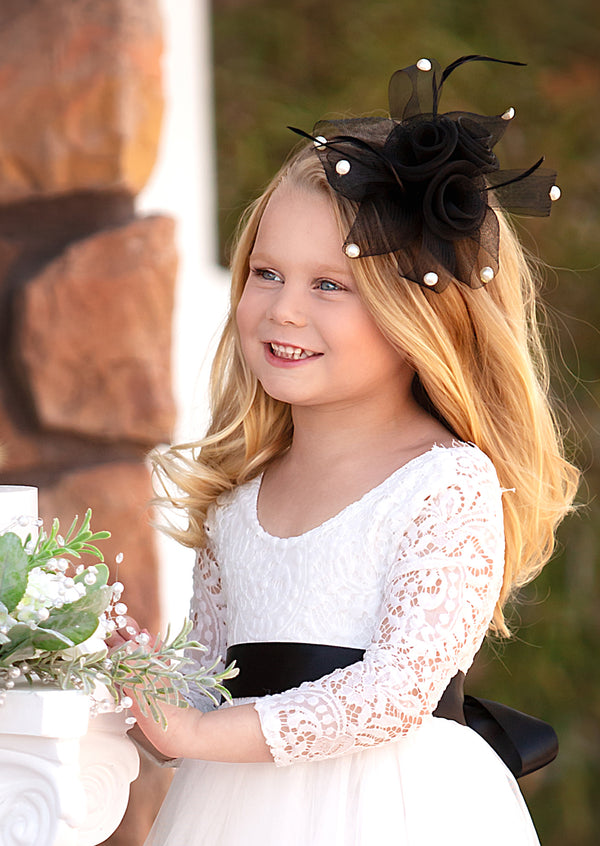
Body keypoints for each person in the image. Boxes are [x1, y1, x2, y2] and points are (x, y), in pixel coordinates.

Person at [130, 56, 579, 845]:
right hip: (234, 813)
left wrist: (197, 733)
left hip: (390, 812)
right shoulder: (239, 499)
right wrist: (119, 684)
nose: (283, 310)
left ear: (418, 316)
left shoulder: (445, 484)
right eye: (266, 273)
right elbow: (205, 682)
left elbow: (396, 692)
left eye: (330, 285)